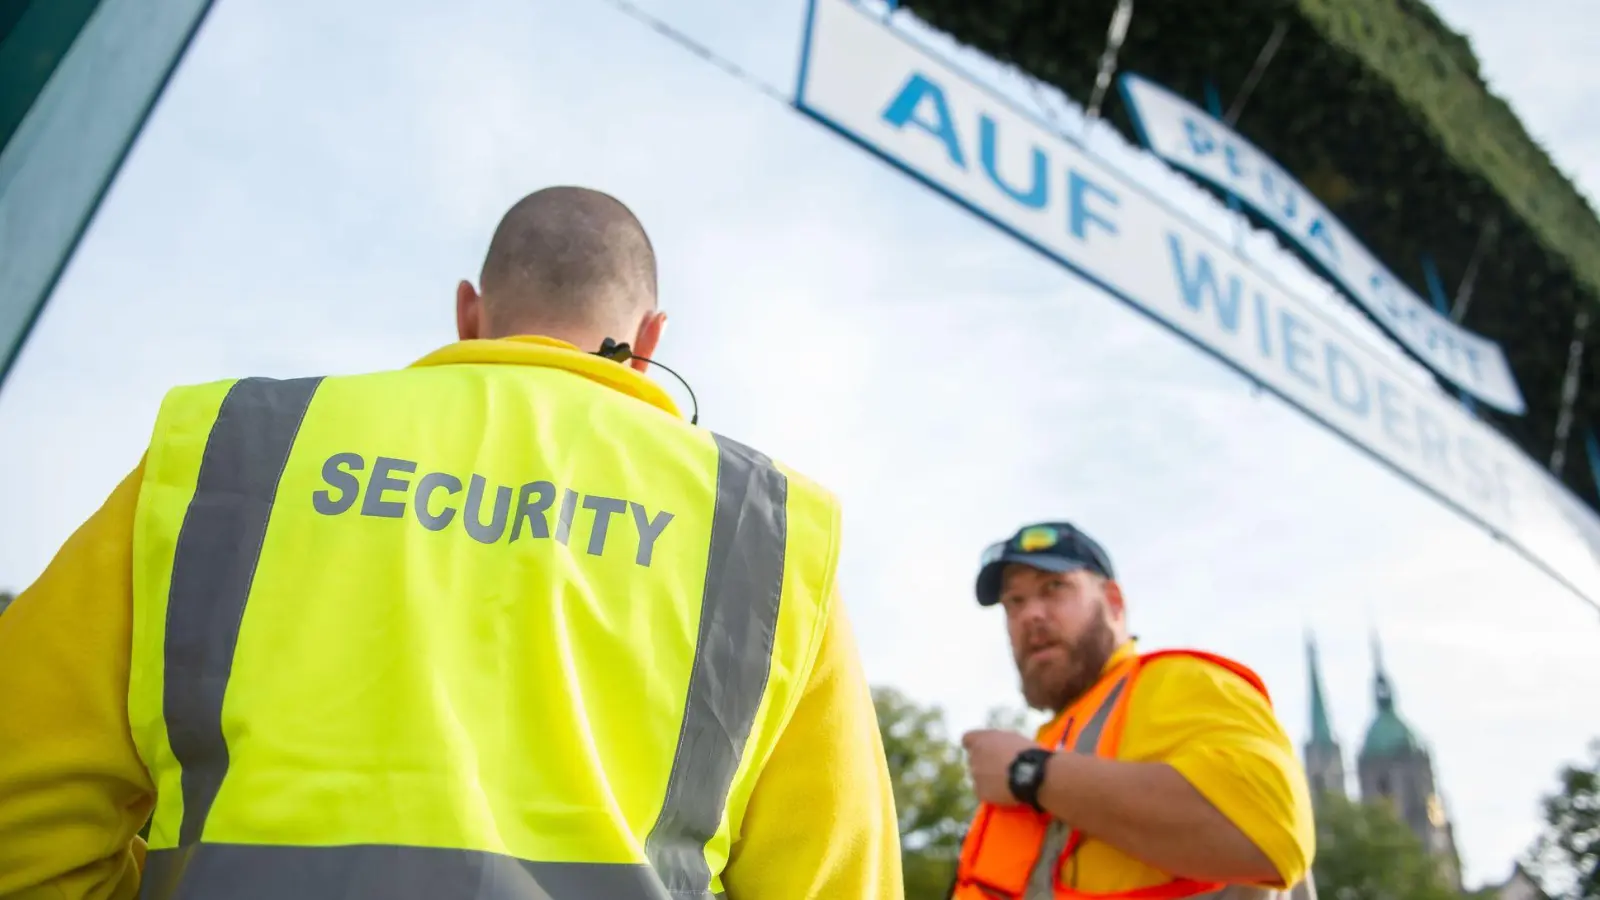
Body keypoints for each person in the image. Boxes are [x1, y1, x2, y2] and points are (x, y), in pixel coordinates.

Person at [0, 187, 903, 900]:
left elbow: (21, 816)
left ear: (469, 312)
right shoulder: (768, 534)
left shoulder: (234, 446)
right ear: (652, 338)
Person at [953, 522, 1316, 900]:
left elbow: (1273, 837)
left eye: (1053, 588)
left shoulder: (1179, 682)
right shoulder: (1057, 736)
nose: (1031, 615)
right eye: (1015, 602)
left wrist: (1027, 771)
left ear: (1113, 602)